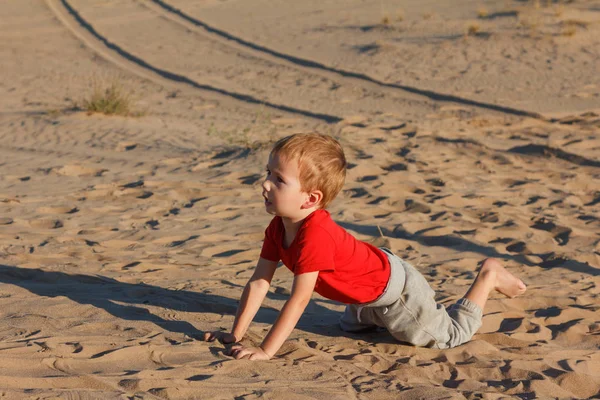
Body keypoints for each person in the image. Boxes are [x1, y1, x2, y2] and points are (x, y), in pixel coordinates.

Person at [203, 133, 526, 360]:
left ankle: (489, 276)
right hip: (363, 286)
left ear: (311, 198)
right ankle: (370, 314)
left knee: (447, 337)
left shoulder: (313, 235)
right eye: (267, 173)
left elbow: (299, 300)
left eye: (278, 179)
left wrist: (265, 351)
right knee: (352, 328)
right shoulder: (278, 227)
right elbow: (260, 282)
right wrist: (236, 334)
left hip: (396, 291)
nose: (265, 184)